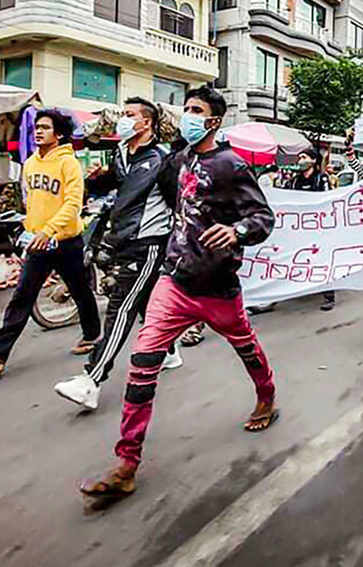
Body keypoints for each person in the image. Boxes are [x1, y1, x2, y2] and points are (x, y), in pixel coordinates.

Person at [80, 87, 277, 508]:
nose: (187, 116)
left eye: (196, 111)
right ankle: (126, 465)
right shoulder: (178, 159)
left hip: (218, 287)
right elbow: (156, 192)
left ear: (213, 121)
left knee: (245, 346)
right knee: (142, 364)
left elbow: (263, 216)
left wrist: (236, 232)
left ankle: (266, 394)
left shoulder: (230, 164)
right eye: (185, 109)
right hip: (174, 281)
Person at [53, 98, 183, 412]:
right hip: (125, 240)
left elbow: (164, 200)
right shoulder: (123, 153)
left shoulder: (160, 160)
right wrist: (99, 178)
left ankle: (91, 379)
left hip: (148, 243)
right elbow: (118, 182)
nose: (123, 121)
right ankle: (169, 352)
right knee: (148, 303)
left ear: (147, 122)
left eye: (129, 115)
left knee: (121, 309)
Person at [0, 110, 102, 380]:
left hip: (66, 240)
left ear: (59, 134)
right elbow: (31, 201)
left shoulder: (68, 163)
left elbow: (73, 204)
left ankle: (92, 334)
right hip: (37, 242)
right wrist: (30, 229)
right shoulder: (31, 163)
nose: (38, 132)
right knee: (22, 296)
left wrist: (49, 230)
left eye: (45, 128)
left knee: (80, 290)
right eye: (36, 127)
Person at [288, 148, 336, 311]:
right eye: (299, 157)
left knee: (322, 260)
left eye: (304, 157)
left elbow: (327, 199)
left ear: (314, 161)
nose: (301, 160)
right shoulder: (294, 181)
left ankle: (329, 296)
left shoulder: (321, 179)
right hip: (299, 228)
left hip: (319, 227)